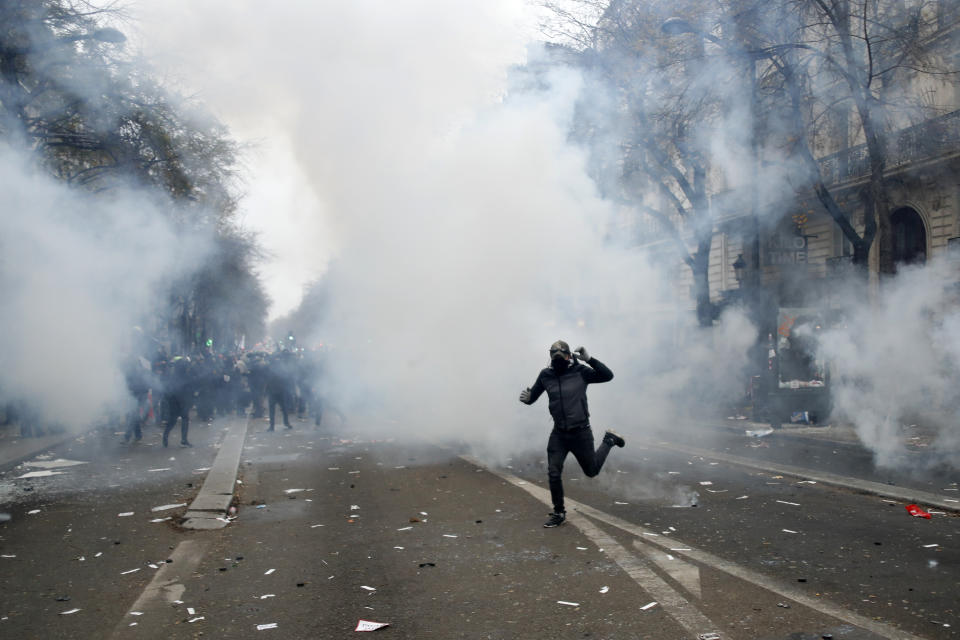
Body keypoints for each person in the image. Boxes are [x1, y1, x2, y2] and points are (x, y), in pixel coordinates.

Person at [519, 340, 624, 528]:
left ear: (569, 356)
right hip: (559, 434)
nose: (557, 358)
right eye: (553, 354)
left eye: (561, 354)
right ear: (550, 356)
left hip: (581, 433)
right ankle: (559, 512)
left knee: (591, 471)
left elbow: (608, 376)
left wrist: (590, 359)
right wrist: (527, 399)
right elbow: (533, 397)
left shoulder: (580, 372)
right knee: (553, 472)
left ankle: (609, 439)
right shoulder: (546, 375)